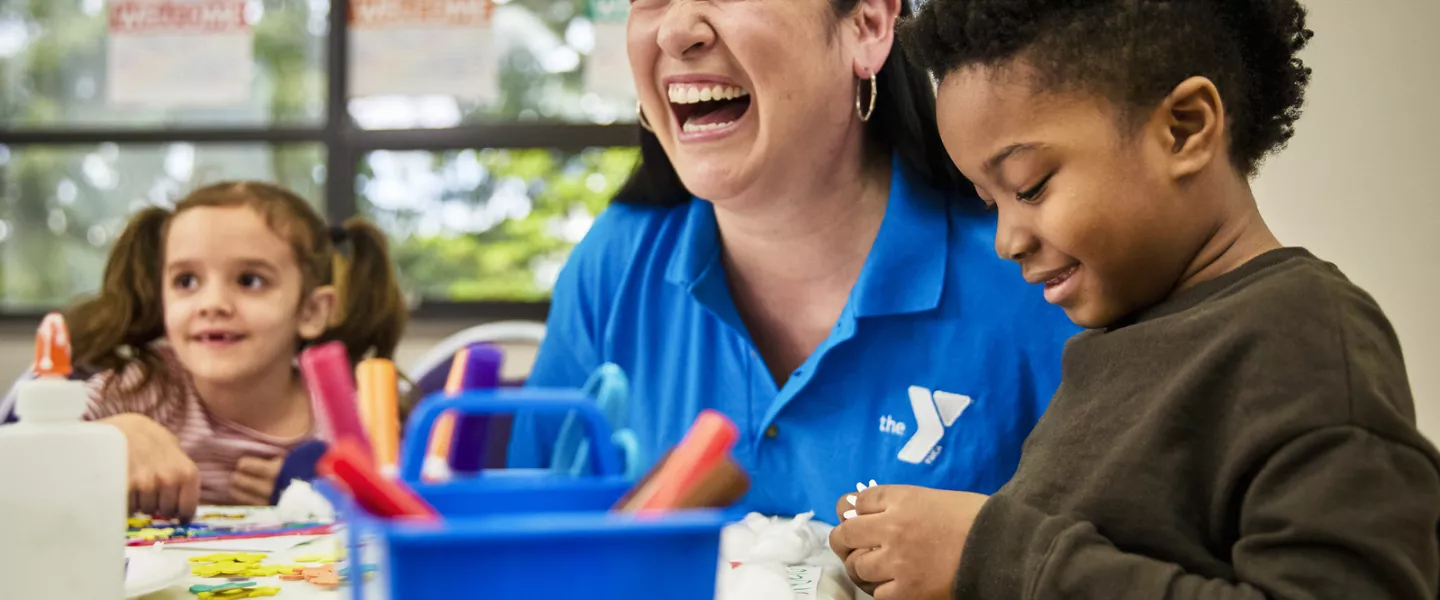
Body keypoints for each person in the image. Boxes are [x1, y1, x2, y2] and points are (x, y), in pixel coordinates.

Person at [829, 1, 1440, 598]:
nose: (1007, 241)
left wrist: (989, 555)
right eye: (991, 203)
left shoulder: (1305, 336)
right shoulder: (1119, 344)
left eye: (1030, 188)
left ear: (1185, 129)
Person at [507, 0, 1079, 519]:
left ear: (868, 25)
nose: (675, 31)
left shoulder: (1030, 275)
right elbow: (519, 540)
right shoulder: (615, 263)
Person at [67, 181, 408, 519]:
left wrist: (321, 491)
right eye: (186, 281)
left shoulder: (351, 414)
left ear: (311, 311)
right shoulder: (140, 390)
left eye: (250, 280)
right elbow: (39, 449)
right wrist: (110, 436)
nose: (212, 304)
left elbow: (406, 511)